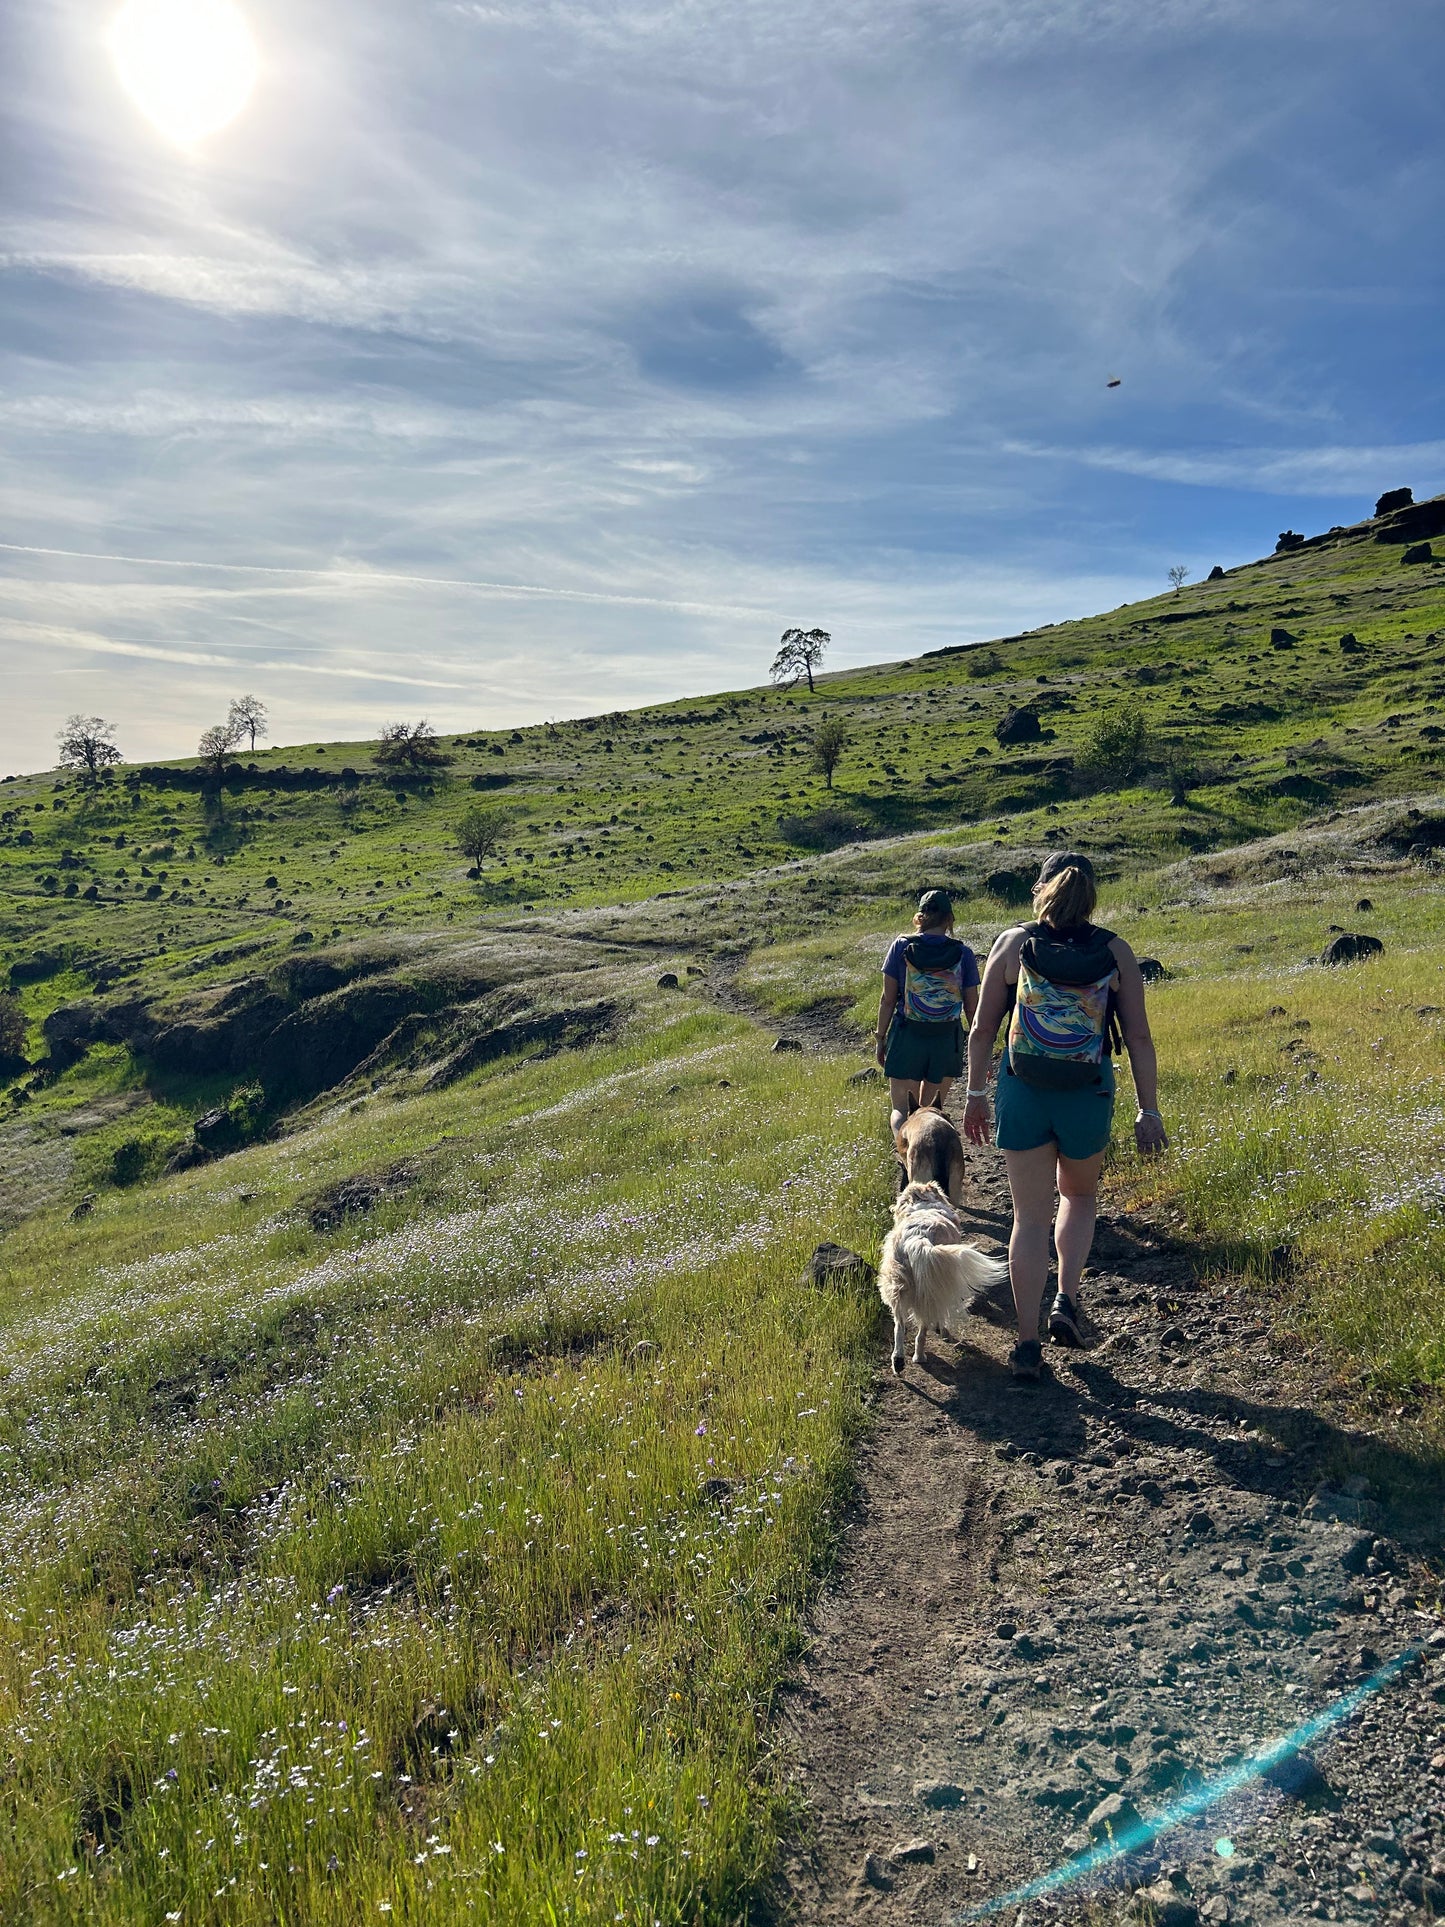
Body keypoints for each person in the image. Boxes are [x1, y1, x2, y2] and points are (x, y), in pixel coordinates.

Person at [962, 853, 1167, 1380]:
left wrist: (976, 1093)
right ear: (1091, 894)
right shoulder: (1115, 952)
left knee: (1028, 1219)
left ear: (1042, 890)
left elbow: (982, 1030)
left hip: (1023, 1089)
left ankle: (1027, 1343)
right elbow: (1138, 1037)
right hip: (1087, 1091)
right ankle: (1066, 1302)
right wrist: (1149, 1110)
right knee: (1077, 1195)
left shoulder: (1012, 944)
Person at [876, 889, 981, 1134]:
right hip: (946, 1038)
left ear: (920, 917)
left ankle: (909, 1163)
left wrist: (880, 1038)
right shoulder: (963, 953)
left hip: (907, 1035)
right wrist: (977, 1047)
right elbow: (972, 1006)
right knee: (931, 1110)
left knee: (902, 1110)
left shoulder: (901, 946)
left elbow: (887, 999)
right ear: (949, 919)